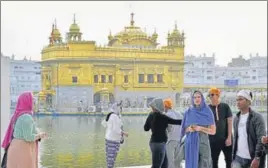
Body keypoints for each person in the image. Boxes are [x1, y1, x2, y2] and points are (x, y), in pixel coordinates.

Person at [1, 92, 47, 168]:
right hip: (23, 149)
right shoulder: (26, 117)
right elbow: (28, 137)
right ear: (27, 102)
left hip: (15, 148)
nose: (34, 104)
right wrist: (40, 135)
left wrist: (38, 135)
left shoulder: (17, 115)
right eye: (33, 101)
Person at [179, 90, 216, 168]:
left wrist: (201, 128)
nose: (197, 99)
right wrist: (189, 129)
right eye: (194, 97)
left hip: (203, 143)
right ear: (192, 99)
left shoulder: (207, 111)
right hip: (190, 143)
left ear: (202, 98)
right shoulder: (188, 112)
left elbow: (213, 131)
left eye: (199, 97)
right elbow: (184, 130)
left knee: (205, 164)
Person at [144, 98, 182, 168]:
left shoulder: (151, 115)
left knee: (163, 165)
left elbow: (146, 128)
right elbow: (177, 122)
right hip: (161, 144)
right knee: (158, 165)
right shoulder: (164, 117)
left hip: (154, 143)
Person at [232, 90, 266, 168]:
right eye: (237, 100)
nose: (238, 102)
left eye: (240, 99)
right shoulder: (236, 118)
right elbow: (236, 138)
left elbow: (260, 139)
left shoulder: (257, 117)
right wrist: (233, 158)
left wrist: (257, 158)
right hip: (238, 158)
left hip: (252, 159)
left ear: (248, 101)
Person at [208, 88, 233, 168]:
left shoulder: (225, 106)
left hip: (226, 139)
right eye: (210, 95)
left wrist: (229, 137)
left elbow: (229, 122)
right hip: (213, 140)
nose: (211, 97)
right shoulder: (207, 109)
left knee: (229, 161)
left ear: (218, 95)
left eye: (212, 94)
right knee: (213, 162)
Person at [102, 102, 128, 168]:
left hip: (110, 138)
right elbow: (116, 129)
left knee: (110, 157)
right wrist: (124, 133)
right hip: (113, 140)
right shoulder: (114, 116)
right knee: (111, 158)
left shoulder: (112, 115)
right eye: (120, 108)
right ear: (117, 108)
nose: (121, 109)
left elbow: (104, 124)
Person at [164, 98, 183, 168]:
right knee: (178, 160)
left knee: (170, 161)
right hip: (179, 139)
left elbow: (168, 128)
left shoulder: (167, 115)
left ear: (166, 106)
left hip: (171, 140)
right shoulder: (179, 113)